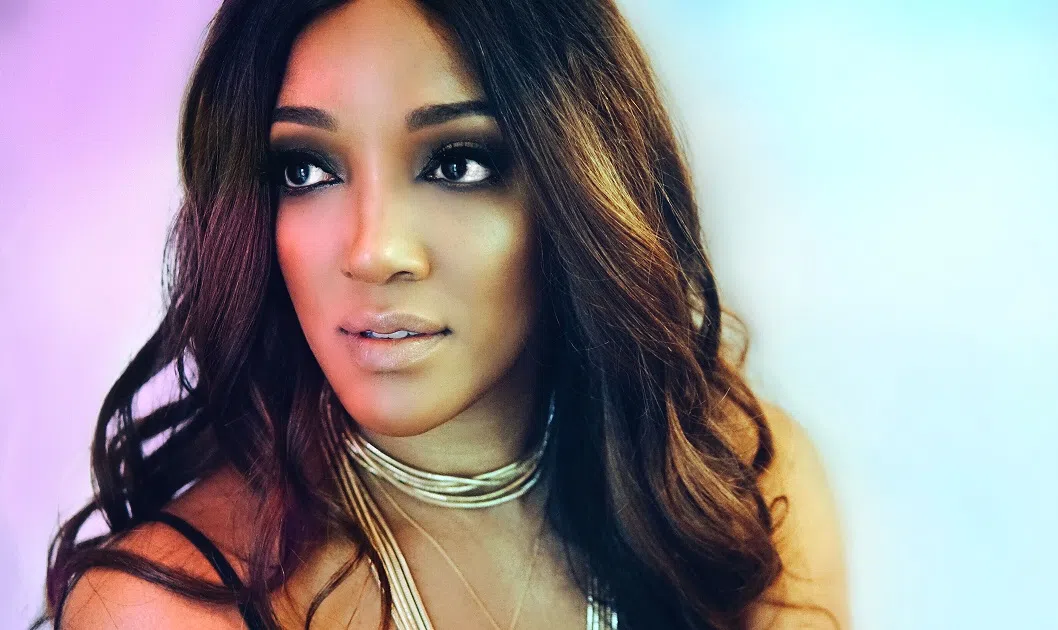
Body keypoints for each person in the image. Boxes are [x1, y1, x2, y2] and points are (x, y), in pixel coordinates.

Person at [39, 0, 849, 628]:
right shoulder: (167, 607)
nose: (373, 251)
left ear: (578, 185)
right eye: (307, 169)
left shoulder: (740, 491)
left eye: (456, 163)